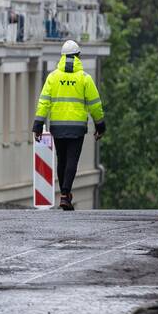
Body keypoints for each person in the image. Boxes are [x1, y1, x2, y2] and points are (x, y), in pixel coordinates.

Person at [32, 40, 105, 210]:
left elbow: (44, 103)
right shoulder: (85, 78)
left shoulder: (53, 77)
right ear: (78, 57)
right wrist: (100, 126)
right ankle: (65, 194)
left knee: (62, 160)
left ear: (62, 57)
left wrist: (38, 125)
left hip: (58, 126)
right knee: (72, 160)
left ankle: (64, 195)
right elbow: (95, 104)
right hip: (77, 128)